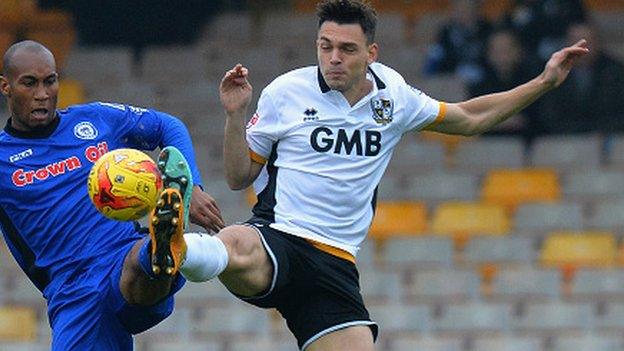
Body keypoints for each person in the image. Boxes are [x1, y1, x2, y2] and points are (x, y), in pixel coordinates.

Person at [185, 1, 587, 350]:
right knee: (234, 242)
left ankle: (179, 250)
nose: (333, 58)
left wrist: (544, 82)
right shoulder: (285, 92)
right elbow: (239, 177)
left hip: (335, 264)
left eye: (346, 49)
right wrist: (235, 115)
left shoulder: (393, 96)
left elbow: (469, 117)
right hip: (279, 236)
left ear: (371, 52)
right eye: (325, 47)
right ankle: (173, 250)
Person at [0, 40, 225, 350]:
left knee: (139, 263)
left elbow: (167, 126)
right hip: (72, 289)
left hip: (121, 254)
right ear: (6, 86)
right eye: (30, 83)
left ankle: (161, 245)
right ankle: (164, 247)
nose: (43, 94)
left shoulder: (94, 120)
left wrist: (194, 187)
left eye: (50, 81)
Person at [536, 22, 624, 134]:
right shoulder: (552, 71)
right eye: (575, 42)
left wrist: (601, 131)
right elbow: (548, 114)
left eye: (588, 42)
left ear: (598, 43)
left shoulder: (616, 72)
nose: (581, 48)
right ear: (566, 45)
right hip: (562, 139)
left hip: (609, 138)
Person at [467, 28, 542, 140]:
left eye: (506, 50)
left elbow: (536, 119)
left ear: (518, 51)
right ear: (489, 54)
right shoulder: (478, 88)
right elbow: (474, 120)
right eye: (497, 51)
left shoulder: (533, 84)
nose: (502, 56)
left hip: (526, 145)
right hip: (489, 147)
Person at [422, 0, 492, 84]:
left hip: (484, 79)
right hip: (453, 81)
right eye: (459, 8)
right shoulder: (446, 32)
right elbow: (438, 61)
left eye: (467, 8)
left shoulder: (488, 30)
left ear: (476, 9)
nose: (462, 12)